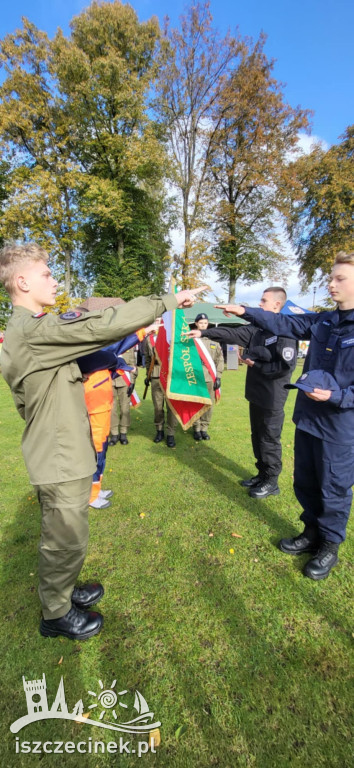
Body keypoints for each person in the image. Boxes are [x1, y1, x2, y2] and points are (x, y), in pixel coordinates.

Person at [0, 242, 204, 639]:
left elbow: (33, 398)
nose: (54, 281)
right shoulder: (34, 330)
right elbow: (100, 325)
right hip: (58, 455)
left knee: (67, 534)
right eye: (46, 274)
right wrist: (167, 300)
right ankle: (56, 614)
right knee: (65, 538)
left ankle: (62, 591)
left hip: (61, 447)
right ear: (21, 281)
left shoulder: (27, 331)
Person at [213, 252, 354, 580]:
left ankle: (329, 547)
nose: (330, 284)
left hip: (339, 426)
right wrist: (246, 311)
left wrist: (335, 396)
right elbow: (283, 322)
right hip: (308, 418)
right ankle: (310, 533)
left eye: (339, 279)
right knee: (305, 481)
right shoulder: (324, 321)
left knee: (333, 488)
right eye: (331, 277)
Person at [188, 291, 297, 497]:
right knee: (257, 436)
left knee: (268, 439)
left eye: (263, 300)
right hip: (256, 393)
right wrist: (204, 333)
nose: (259, 303)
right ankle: (262, 474)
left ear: (276, 305)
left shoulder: (285, 331)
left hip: (272, 397)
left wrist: (255, 364)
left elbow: (284, 367)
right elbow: (233, 334)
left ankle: (272, 481)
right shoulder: (258, 330)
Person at [192, 313, 224, 441]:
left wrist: (219, 376)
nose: (203, 325)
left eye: (205, 323)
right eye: (201, 323)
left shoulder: (214, 340)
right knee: (196, 403)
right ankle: (196, 428)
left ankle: (204, 428)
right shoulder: (192, 339)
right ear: (196, 324)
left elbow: (219, 359)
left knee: (208, 404)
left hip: (210, 377)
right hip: (196, 376)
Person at [145, 332, 178, 447]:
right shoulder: (149, 340)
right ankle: (159, 431)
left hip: (170, 375)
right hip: (156, 375)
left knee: (171, 407)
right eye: (157, 322)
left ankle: (170, 433)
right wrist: (147, 375)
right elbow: (148, 359)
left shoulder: (172, 337)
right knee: (158, 407)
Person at [109, 346, 138, 446]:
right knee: (112, 409)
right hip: (110, 381)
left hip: (125, 381)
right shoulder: (109, 346)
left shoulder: (128, 346)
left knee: (125, 408)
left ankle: (123, 432)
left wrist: (133, 382)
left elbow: (133, 365)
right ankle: (114, 434)